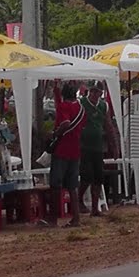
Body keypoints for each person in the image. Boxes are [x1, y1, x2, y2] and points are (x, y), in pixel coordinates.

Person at [42, 81, 84, 228]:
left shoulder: (63, 107)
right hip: (75, 149)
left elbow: (65, 122)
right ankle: (76, 218)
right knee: (72, 186)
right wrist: (56, 91)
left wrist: (55, 133)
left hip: (62, 149)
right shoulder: (80, 108)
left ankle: (53, 219)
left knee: (55, 184)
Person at [78, 81, 116, 216]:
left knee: (98, 177)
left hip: (98, 146)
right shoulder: (81, 103)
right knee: (86, 176)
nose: (95, 94)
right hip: (84, 145)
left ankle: (95, 208)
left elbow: (108, 125)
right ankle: (79, 199)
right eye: (93, 91)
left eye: (97, 92)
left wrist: (114, 145)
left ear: (101, 93)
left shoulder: (103, 106)